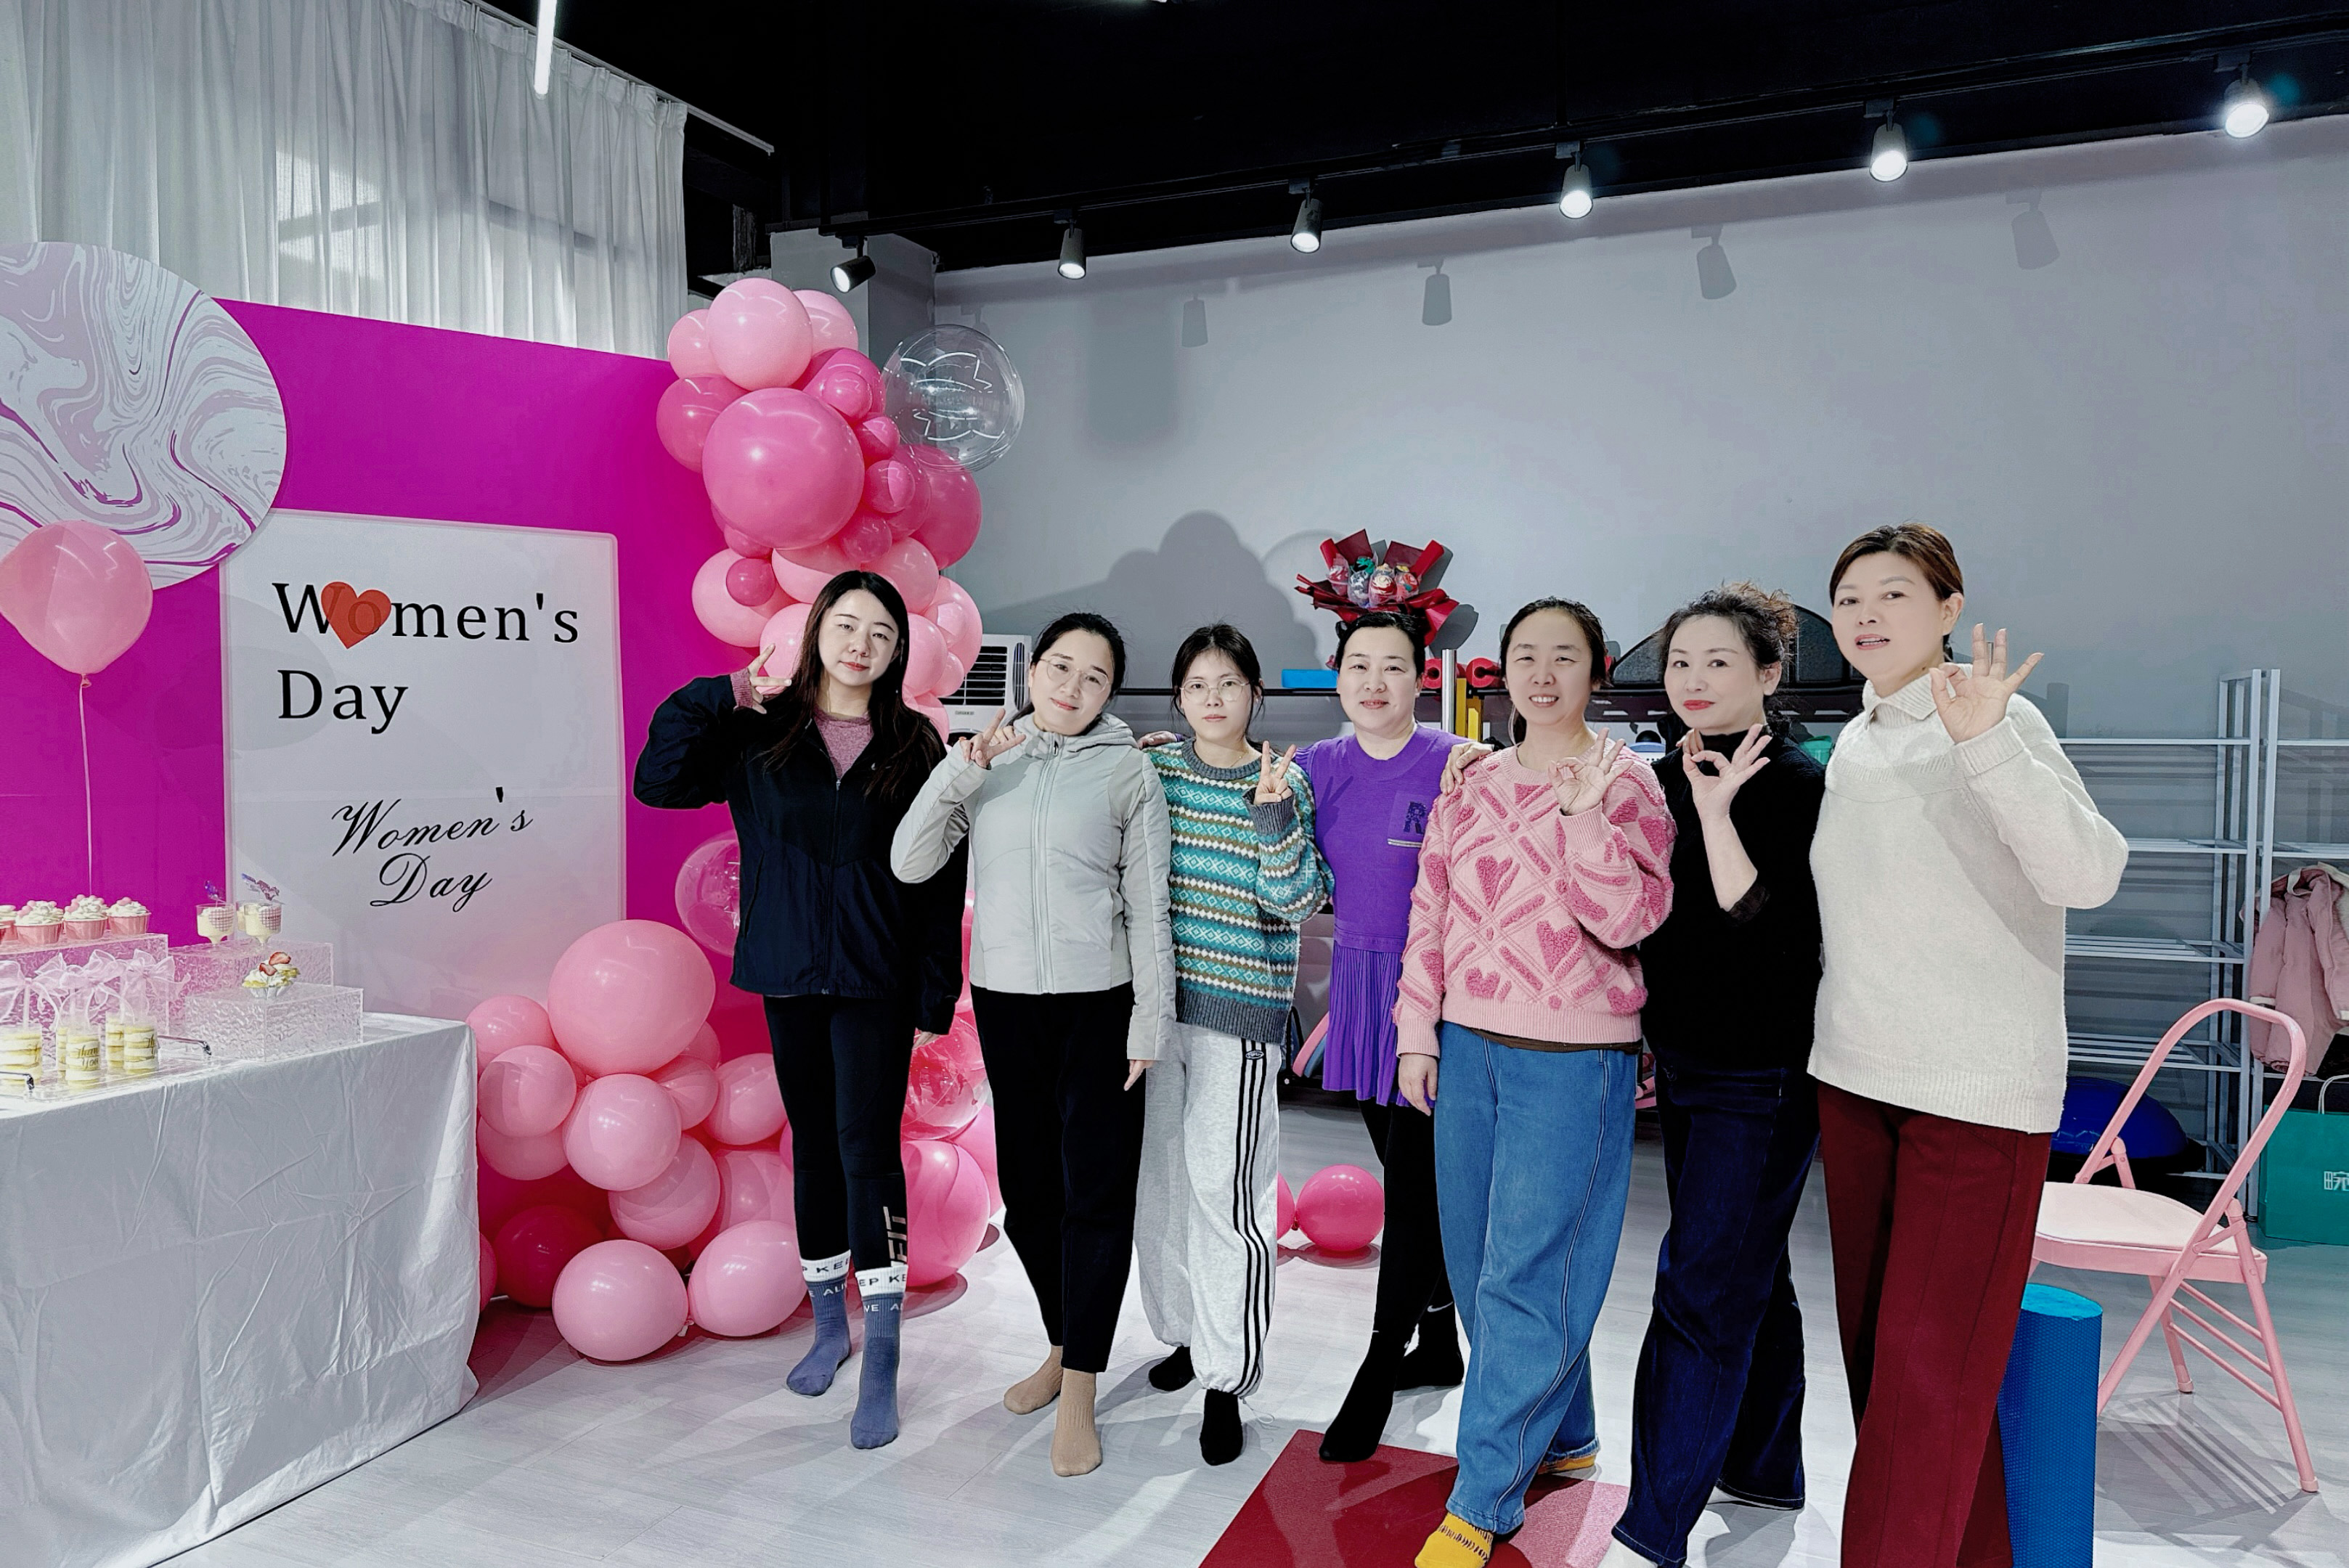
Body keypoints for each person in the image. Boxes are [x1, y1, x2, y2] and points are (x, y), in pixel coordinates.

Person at [1810, 523, 2125, 1568]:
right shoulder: (1857, 739)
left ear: (1948, 609)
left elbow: (2087, 874)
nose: (1865, 614)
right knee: (1889, 1371)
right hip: (1855, 1077)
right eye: (1848, 597)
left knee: (1926, 1375)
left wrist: (1985, 742)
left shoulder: (1994, 717)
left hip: (1974, 1093)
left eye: (1893, 593)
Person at [632, 571, 964, 1451]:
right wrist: (725, 691)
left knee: (868, 1153)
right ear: (817, 631)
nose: (861, 644)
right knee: (813, 1148)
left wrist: (935, 991)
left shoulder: (916, 746)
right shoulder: (759, 731)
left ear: (897, 653)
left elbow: (941, 878)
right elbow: (658, 781)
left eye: (881, 634)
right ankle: (828, 1327)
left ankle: (882, 1350)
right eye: (847, 625)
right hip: (787, 972)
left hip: (877, 979)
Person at [1399, 598, 1675, 1568]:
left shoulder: (1628, 780)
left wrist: (1581, 812)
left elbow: (1630, 920)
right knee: (1480, 1267)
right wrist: (1416, 1031)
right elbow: (1430, 905)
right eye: (1525, 656)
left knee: (1526, 1273)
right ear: (1500, 671)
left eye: (1564, 657)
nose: (1543, 674)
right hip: (1467, 1045)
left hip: (1575, 1057)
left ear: (1595, 672)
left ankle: (1482, 1500)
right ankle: (1566, 1438)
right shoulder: (1469, 779)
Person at [890, 610, 1176, 1478]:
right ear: (1033, 671)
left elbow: (1150, 910)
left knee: (1096, 1196)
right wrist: (960, 770)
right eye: (1060, 666)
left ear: (1110, 692)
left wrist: (1149, 1022)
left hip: (1101, 1005)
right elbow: (908, 861)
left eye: (1094, 676)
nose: (1072, 686)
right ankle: (1061, 1342)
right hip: (1007, 1004)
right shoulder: (991, 763)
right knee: (1028, 1197)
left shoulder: (1129, 772)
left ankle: (1081, 1381)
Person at [1600, 586, 1826, 1568]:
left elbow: (1758, 924)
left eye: (1717, 662)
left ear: (1768, 675)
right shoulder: (1656, 772)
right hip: (1686, 1061)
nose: (1691, 680)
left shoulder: (1796, 783)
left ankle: (1650, 1531)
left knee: (1698, 1288)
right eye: (1679, 662)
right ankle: (1765, 1469)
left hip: (1761, 1075)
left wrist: (1713, 810)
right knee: (1747, 1269)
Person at [1134, 624, 1330, 1466]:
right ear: (1178, 698)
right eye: (1196, 685)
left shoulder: (1283, 780)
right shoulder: (1157, 771)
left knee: (1229, 1197)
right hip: (1154, 1015)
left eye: (1228, 684)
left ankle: (1227, 1378)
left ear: (1255, 693)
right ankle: (1185, 1334)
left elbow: (1296, 902)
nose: (1212, 699)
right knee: (1162, 1188)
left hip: (1238, 1019)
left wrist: (1272, 813)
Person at [1293, 609, 1470, 1464]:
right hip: (1358, 993)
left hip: (1432, 996)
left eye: (1393, 665)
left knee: (1416, 1185)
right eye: (1358, 664)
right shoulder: (1313, 766)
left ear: (1421, 677)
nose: (1373, 681)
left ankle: (1377, 1361)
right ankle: (1436, 1343)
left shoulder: (1456, 761)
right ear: (1337, 675)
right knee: (1412, 1180)